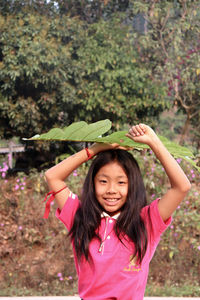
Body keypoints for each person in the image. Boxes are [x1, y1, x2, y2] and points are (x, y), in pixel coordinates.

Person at [44, 123, 191, 300]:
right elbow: (52, 176)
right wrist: (95, 150)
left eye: (121, 183)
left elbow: (182, 187)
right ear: (92, 183)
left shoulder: (147, 221)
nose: (111, 190)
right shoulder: (79, 216)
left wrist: (154, 142)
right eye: (103, 181)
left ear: (133, 185)